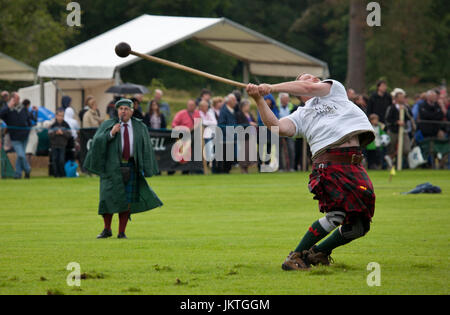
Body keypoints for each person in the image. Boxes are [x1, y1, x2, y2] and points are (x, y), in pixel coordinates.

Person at [246, 73, 375, 270]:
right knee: (337, 214)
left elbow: (309, 88)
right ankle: (295, 256)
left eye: (313, 78)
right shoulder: (301, 114)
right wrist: (258, 99)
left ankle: (318, 253)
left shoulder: (335, 91)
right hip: (329, 163)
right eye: (304, 78)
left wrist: (271, 87)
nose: (311, 80)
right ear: (297, 91)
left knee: (359, 225)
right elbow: (276, 127)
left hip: (354, 163)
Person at [83, 98, 163, 239]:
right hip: (111, 167)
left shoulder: (139, 127)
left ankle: (122, 232)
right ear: (117, 111)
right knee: (107, 199)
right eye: (121, 109)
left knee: (126, 201)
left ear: (132, 111)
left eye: (126, 109)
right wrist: (111, 133)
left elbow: (146, 148)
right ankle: (107, 229)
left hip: (131, 166)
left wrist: (147, 167)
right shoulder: (109, 124)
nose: (123, 111)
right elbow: (97, 142)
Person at [0, 92, 32, 179]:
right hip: (14, 137)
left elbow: (29, 119)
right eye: (16, 98)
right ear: (12, 99)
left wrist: (28, 129)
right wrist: (8, 107)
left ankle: (17, 174)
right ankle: (28, 169)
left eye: (19, 98)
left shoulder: (23, 108)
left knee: (19, 156)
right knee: (21, 155)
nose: (18, 100)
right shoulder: (7, 109)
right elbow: (1, 114)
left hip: (24, 135)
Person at [385, 91, 415, 167]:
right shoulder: (391, 107)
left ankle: (395, 156)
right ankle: (391, 159)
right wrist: (396, 122)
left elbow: (410, 117)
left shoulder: (406, 107)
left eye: (403, 97)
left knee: (406, 149)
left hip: (403, 131)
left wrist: (405, 110)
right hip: (393, 130)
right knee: (391, 146)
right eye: (401, 97)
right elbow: (387, 119)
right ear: (396, 98)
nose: (402, 99)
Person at [217, 94, 238, 174]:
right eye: (234, 100)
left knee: (230, 157)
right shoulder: (224, 111)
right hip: (225, 138)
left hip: (232, 137)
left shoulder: (233, 110)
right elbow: (221, 124)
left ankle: (227, 171)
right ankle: (223, 171)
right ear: (229, 102)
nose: (235, 102)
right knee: (225, 157)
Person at [235, 99, 257, 174]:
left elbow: (254, 121)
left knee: (249, 152)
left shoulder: (250, 114)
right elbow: (240, 124)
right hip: (243, 136)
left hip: (251, 135)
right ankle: (243, 168)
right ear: (243, 107)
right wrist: (249, 123)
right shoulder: (239, 114)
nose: (248, 107)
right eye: (247, 106)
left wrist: (253, 123)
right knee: (244, 152)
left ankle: (247, 167)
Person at [48, 108, 72, 177]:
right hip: (54, 145)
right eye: (59, 115)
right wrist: (56, 133)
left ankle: (62, 174)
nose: (60, 117)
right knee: (54, 160)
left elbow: (69, 134)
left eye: (62, 116)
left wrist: (62, 133)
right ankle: (56, 174)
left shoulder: (66, 125)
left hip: (62, 145)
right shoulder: (53, 125)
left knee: (61, 160)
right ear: (56, 116)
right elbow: (49, 134)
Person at [278, 93, 296, 172]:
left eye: (286, 99)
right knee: (279, 150)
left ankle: (291, 167)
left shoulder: (293, 107)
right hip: (278, 131)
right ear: (280, 100)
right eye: (283, 99)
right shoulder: (276, 107)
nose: (285, 101)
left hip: (289, 131)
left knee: (291, 149)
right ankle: (281, 167)